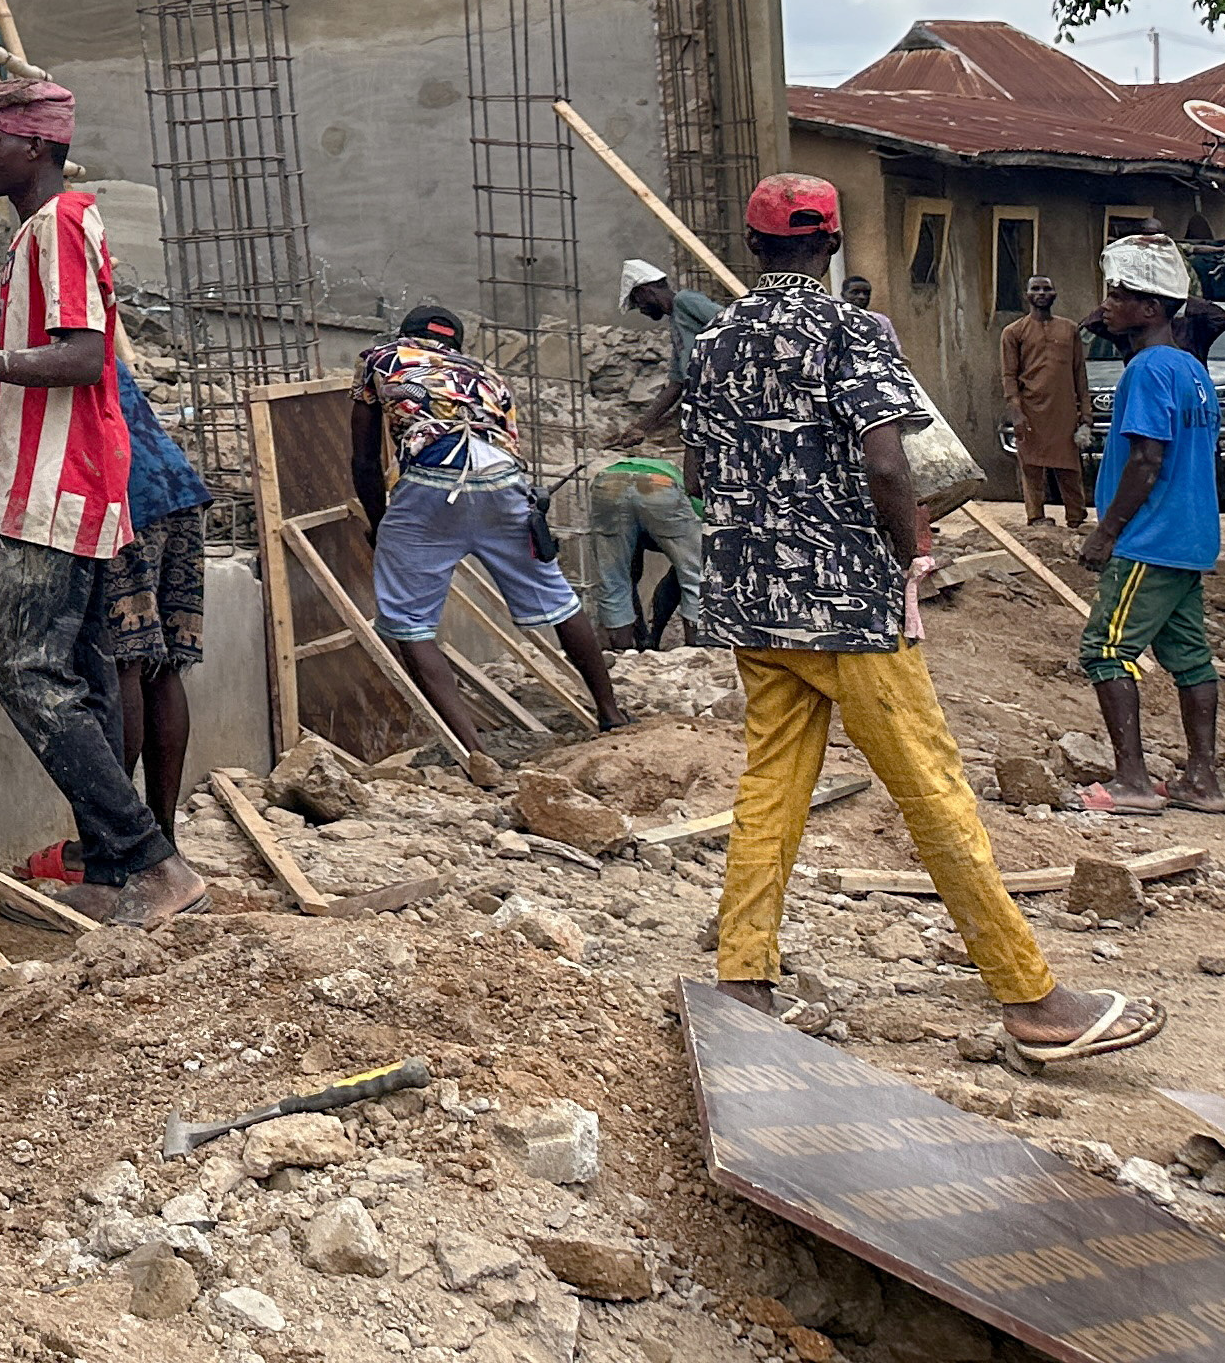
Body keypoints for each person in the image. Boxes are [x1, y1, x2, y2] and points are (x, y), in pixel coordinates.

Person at [682, 173, 1156, 1061]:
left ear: (753, 246)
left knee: (770, 788)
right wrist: (912, 555)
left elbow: (700, 477)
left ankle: (744, 978)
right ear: (830, 245)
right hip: (852, 606)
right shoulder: (850, 330)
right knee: (934, 790)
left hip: (751, 603)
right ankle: (1029, 996)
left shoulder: (710, 342)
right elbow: (889, 463)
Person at [0, 78, 210, 928]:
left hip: (59, 486)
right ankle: (116, 874)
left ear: (33, 147)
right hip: (50, 486)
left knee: (23, 669)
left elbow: (82, 360)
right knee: (78, 673)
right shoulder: (47, 231)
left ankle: (150, 861)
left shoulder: (61, 226)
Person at [351, 306, 623, 759]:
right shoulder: (486, 375)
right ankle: (611, 711)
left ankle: (474, 751)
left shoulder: (382, 358)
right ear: (455, 345)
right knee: (559, 600)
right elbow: (508, 444)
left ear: (407, 335)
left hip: (431, 487)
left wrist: (381, 525)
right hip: (503, 483)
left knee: (411, 625)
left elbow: (363, 459)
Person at [1072, 240, 1225, 816]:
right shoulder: (1191, 369)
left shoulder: (1145, 370)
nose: (1108, 304)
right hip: (1190, 538)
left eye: (1122, 295)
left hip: (1148, 538)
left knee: (1106, 650)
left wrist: (1106, 532)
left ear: (1154, 309)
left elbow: (1146, 460)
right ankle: (1202, 781)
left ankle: (1132, 781)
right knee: (1190, 658)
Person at [102, 357, 210, 848]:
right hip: (176, 488)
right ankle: (161, 833)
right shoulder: (80, 328)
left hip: (123, 495)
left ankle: (123, 839)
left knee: (127, 658)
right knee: (161, 663)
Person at [596, 259, 719, 647]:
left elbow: (734, 325)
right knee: (692, 570)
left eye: (638, 304)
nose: (641, 313)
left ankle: (647, 649)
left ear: (646, 291)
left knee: (626, 577)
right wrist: (640, 428)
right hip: (698, 424)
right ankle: (686, 648)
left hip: (712, 416)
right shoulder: (678, 329)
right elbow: (676, 384)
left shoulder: (687, 302)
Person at [998, 274, 1090, 526]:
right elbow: (1009, 375)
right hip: (1030, 409)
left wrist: (1086, 415)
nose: (1041, 293)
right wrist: (1015, 411)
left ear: (1054, 294)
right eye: (1035, 289)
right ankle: (1036, 516)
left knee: (1069, 466)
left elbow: (1079, 373)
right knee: (1031, 466)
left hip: (1064, 411)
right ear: (1027, 295)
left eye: (1046, 288)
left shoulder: (1070, 329)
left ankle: (1076, 517)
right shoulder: (1013, 332)